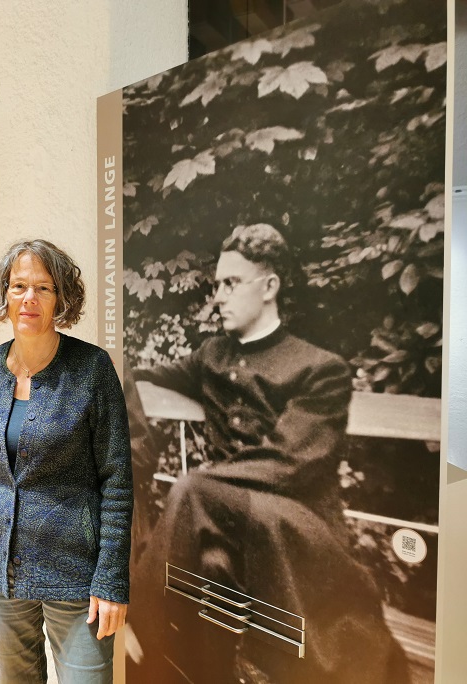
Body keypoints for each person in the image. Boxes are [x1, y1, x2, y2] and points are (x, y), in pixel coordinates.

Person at [126, 224, 409, 683]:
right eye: (217, 285)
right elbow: (141, 375)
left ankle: (134, 630)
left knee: (191, 489)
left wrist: (207, 486)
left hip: (294, 525)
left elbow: (288, 464)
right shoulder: (212, 356)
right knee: (213, 564)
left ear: (269, 286)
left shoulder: (320, 368)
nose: (218, 297)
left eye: (231, 283)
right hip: (223, 524)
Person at [0, 239, 133, 684]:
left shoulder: (92, 369)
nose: (28, 298)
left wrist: (111, 580)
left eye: (43, 288)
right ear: (5, 293)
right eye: (18, 286)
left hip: (76, 576)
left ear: (60, 298)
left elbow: (117, 480)